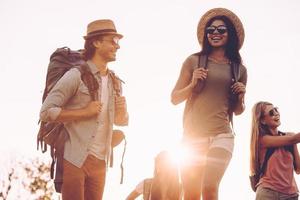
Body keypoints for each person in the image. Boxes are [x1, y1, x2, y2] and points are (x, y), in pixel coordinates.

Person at [39, 19, 129, 200]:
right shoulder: (76, 75)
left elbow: (121, 121)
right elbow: (46, 111)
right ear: (96, 42)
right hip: (75, 159)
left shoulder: (114, 81)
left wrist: (123, 112)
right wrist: (84, 112)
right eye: (112, 40)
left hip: (101, 163)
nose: (117, 46)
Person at [171, 8, 247, 200]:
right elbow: (175, 98)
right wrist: (192, 83)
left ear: (230, 34)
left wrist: (240, 96)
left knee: (210, 187)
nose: (215, 33)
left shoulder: (239, 69)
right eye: (211, 30)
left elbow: (238, 111)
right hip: (193, 136)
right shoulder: (193, 61)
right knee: (191, 193)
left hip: (222, 134)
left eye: (221, 30)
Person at [250, 102, 300, 200]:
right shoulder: (262, 140)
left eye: (276, 109)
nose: (276, 113)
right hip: (268, 193)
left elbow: (298, 169)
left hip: (291, 195)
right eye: (271, 112)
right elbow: (293, 139)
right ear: (263, 120)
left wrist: (292, 139)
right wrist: (292, 138)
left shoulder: (290, 137)